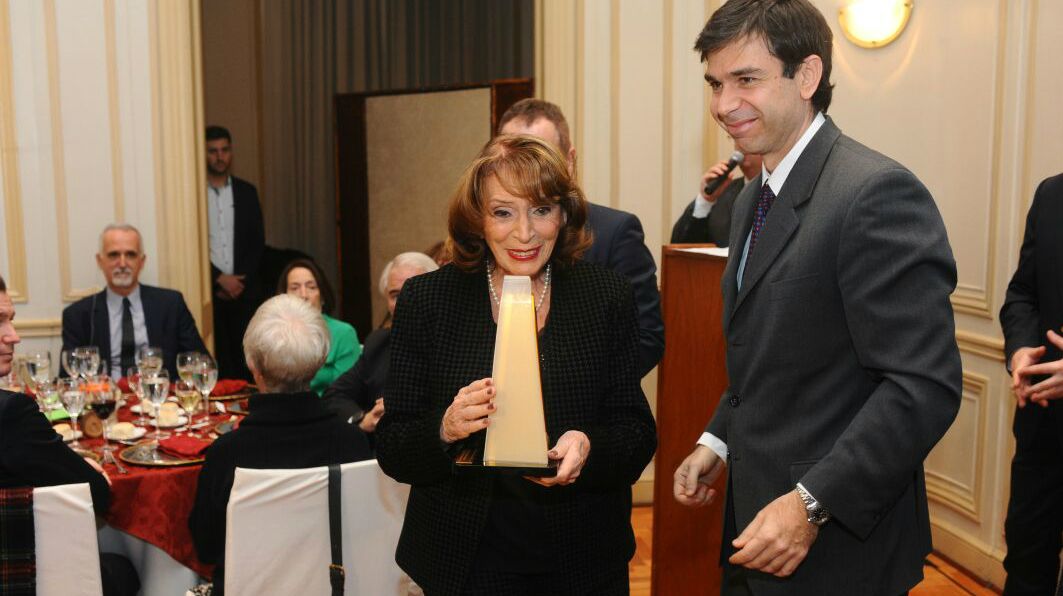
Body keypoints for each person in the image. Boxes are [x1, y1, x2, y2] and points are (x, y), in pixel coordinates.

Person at [671, 2, 962, 595]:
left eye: (746, 80)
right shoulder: (754, 196)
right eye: (715, 83)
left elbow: (922, 387)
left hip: (838, 550)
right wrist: (716, 440)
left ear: (807, 76)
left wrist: (811, 506)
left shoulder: (873, 193)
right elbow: (770, 354)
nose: (724, 104)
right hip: (754, 528)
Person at [376, 135, 657, 595]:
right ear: (477, 219)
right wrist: (444, 428)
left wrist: (590, 445)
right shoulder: (427, 301)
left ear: (563, 214)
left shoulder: (605, 296)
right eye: (503, 212)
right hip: (464, 564)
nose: (524, 233)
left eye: (541, 210)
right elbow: (393, 445)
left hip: (583, 558)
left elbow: (636, 431)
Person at [188, 294, 371, 595]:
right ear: (319, 362)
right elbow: (361, 533)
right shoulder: (351, 442)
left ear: (252, 365)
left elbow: (206, 549)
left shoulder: (227, 452)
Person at [498, 98, 664, 377]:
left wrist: (579, 390)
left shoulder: (615, 232)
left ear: (570, 161)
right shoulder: (486, 234)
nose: (526, 172)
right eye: (514, 158)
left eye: (542, 158)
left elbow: (646, 338)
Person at [1, 274, 140, 596]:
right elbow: (97, 495)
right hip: (29, 582)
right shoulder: (12, 415)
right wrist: (85, 468)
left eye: (12, 320)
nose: (14, 336)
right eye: (0, 321)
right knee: (124, 570)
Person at [999, 172, 1063, 595]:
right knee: (1025, 562)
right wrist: (1022, 350)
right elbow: (1022, 293)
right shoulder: (1052, 194)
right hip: (1043, 428)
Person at [62, 224, 208, 379]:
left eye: (130, 255)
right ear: (100, 261)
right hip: (105, 399)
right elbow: (68, 377)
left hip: (159, 398)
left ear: (142, 261)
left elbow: (201, 363)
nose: (123, 264)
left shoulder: (171, 304)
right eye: (114, 255)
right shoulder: (78, 315)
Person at [323, 252, 439, 435]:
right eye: (395, 295)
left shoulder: (453, 343)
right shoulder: (378, 343)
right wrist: (363, 418)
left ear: (437, 295)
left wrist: (398, 407)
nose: (403, 302)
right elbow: (335, 395)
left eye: (414, 292)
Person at [206, 125, 265, 381]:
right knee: (219, 361)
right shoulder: (194, 193)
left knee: (247, 360)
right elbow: (193, 245)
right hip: (209, 292)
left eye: (225, 150)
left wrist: (238, 281)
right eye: (213, 151)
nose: (220, 156)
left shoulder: (246, 192)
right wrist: (218, 278)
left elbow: (257, 241)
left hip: (244, 290)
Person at [277, 258, 361, 396]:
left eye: (311, 287)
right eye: (294, 288)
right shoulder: (274, 333)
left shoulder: (344, 333)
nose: (303, 295)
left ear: (322, 296)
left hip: (329, 411)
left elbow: (348, 391)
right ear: (283, 296)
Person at [670, 147, 762, 246]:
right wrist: (705, 201)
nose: (741, 145)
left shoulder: (778, 194)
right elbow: (680, 247)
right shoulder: (721, 192)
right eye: (737, 138)